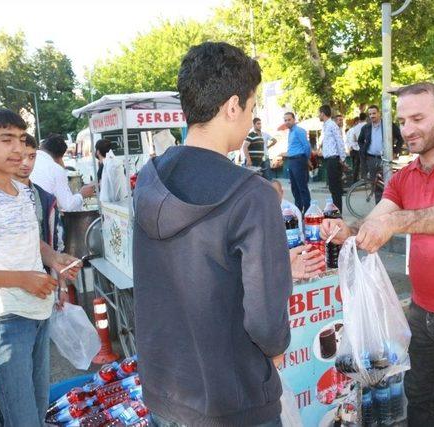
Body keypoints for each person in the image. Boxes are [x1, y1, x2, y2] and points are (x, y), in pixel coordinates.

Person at [133, 42, 321, 427]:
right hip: (232, 401)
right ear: (232, 106)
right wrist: (275, 346)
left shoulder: (148, 178)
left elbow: (192, 267)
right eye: (252, 107)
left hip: (163, 390)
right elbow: (267, 323)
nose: (252, 116)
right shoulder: (251, 195)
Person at [322, 82, 434, 427]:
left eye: (417, 118)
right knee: (418, 400)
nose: (408, 129)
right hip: (420, 314)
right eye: (403, 121)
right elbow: (373, 222)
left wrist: (397, 220)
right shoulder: (404, 177)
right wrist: (348, 229)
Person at [0, 108, 82, 426]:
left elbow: (31, 242)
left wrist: (53, 258)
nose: (17, 149)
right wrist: (23, 280)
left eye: (20, 139)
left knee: (35, 411)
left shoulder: (23, 192)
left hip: (39, 316)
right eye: (6, 139)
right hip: (6, 322)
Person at [30, 134, 95, 211]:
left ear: (41, 146)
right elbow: (68, 205)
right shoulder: (55, 169)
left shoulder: (29, 159)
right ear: (61, 156)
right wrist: (82, 194)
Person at [357, 105, 404, 203]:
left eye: (374, 113)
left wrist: (395, 151)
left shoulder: (388, 125)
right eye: (370, 114)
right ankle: (379, 207)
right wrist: (363, 149)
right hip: (371, 159)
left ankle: (389, 204)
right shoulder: (366, 127)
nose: (372, 116)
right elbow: (360, 140)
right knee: (376, 185)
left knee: (388, 183)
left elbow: (400, 138)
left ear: (379, 113)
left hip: (385, 158)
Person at [319, 105, 347, 212]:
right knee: (332, 188)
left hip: (334, 159)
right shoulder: (326, 126)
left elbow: (339, 141)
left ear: (322, 113)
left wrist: (342, 158)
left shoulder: (331, 125)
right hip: (329, 159)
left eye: (319, 113)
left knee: (335, 189)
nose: (319, 116)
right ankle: (336, 210)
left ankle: (338, 213)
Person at [284, 111, 312, 213]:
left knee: (302, 187)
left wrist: (307, 158)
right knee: (294, 188)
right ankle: (298, 209)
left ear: (294, 120)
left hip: (299, 160)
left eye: (289, 120)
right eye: (285, 120)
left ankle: (308, 210)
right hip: (291, 161)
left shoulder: (299, 130)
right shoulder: (290, 132)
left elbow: (307, 146)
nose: (287, 122)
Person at [345, 113, 367, 183]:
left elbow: (349, 140)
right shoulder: (365, 126)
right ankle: (362, 180)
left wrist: (351, 147)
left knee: (355, 166)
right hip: (361, 149)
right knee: (362, 165)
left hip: (354, 149)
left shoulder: (353, 129)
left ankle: (355, 180)